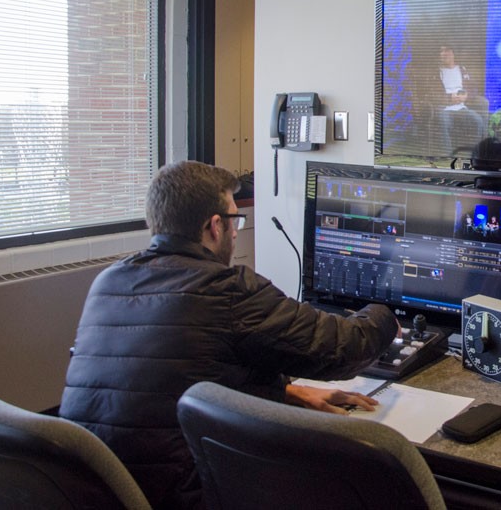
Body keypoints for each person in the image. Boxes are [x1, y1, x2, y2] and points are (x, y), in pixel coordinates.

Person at [60, 161, 399, 510]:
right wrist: (386, 313)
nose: (238, 232)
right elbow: (346, 348)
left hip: (94, 492)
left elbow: (171, 376)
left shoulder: (109, 281)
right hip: (185, 495)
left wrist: (283, 391)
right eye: (235, 220)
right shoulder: (226, 289)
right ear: (215, 226)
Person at [435, 45, 486, 155]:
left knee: (478, 120)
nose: (444, 53)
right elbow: (431, 93)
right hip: (444, 109)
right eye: (441, 51)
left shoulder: (462, 70)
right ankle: (447, 156)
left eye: (447, 50)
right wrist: (449, 98)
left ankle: (475, 155)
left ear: (453, 53)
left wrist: (466, 96)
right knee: (444, 122)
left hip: (462, 108)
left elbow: (473, 88)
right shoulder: (436, 72)